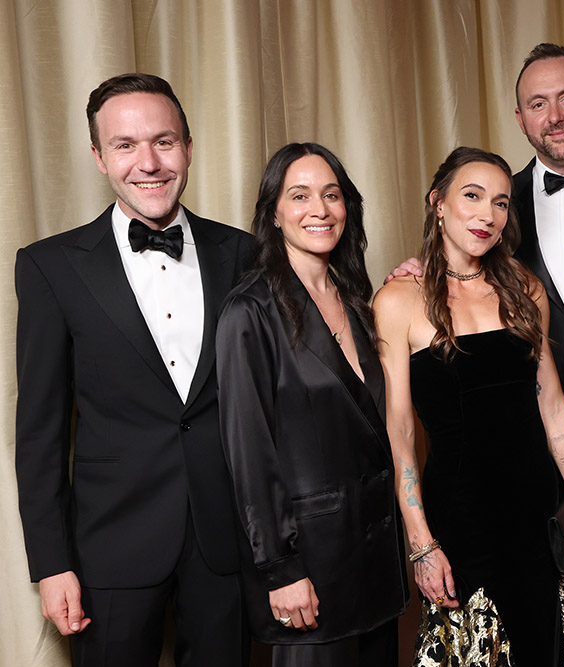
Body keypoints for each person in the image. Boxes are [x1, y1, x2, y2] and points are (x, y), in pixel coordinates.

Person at [386, 44, 564, 594]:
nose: (554, 115)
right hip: (478, 490)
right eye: (538, 103)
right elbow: (401, 425)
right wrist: (420, 540)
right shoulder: (410, 290)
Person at [14, 73, 252, 666]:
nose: (149, 163)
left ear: (188, 148)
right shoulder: (50, 266)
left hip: (225, 542)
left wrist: (409, 284)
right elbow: (40, 433)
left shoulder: (246, 254)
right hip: (109, 546)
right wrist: (51, 564)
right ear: (99, 157)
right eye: (125, 145)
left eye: (164, 142)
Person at [374, 147, 564, 666]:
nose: (487, 215)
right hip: (459, 516)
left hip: (533, 511)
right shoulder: (398, 300)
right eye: (472, 196)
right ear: (438, 203)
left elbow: (552, 407)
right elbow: (400, 433)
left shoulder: (524, 290)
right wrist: (421, 544)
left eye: (500, 202)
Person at [216, 143, 408, 666]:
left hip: (376, 562)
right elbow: (249, 457)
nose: (319, 210)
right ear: (274, 213)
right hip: (309, 570)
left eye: (332, 195)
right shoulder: (249, 312)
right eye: (299, 196)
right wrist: (281, 569)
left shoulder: (358, 299)